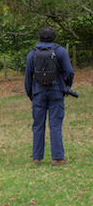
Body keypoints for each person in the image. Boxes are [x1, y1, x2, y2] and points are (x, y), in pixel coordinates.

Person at [24, 27, 74, 166]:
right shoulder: (60, 51)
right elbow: (69, 71)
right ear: (54, 37)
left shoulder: (32, 54)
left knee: (38, 125)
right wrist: (66, 86)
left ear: (39, 37)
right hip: (56, 91)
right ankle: (57, 158)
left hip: (38, 92)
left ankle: (36, 158)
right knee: (55, 125)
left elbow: (28, 77)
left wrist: (31, 94)